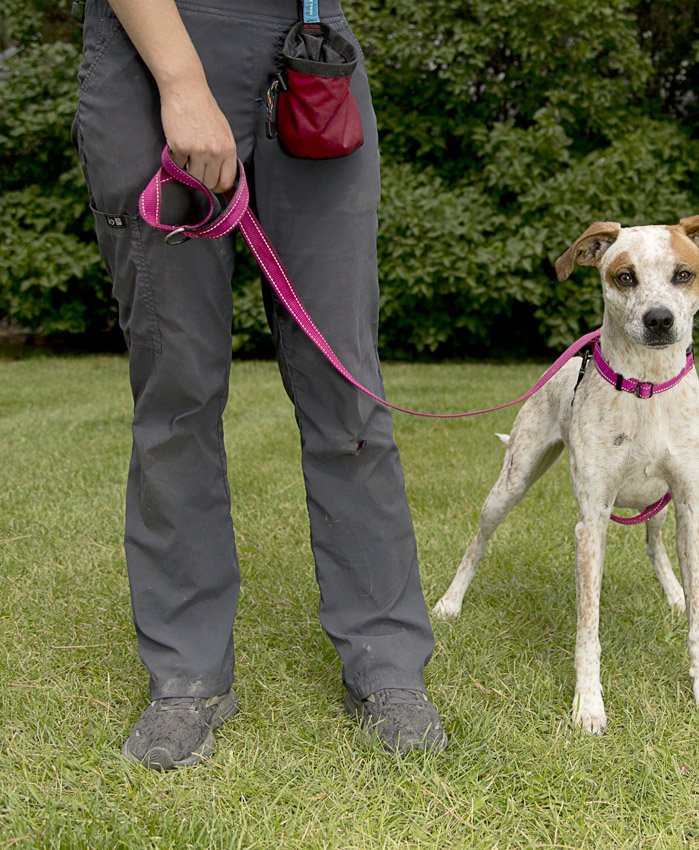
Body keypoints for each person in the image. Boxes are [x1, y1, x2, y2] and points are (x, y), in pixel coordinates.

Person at [72, 0, 446, 768]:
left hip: (311, 46)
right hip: (155, 52)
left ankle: (387, 665)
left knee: (347, 386)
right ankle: (187, 674)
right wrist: (180, 81)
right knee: (177, 390)